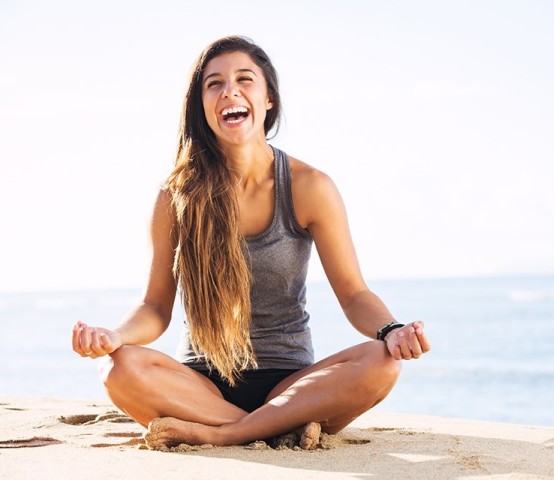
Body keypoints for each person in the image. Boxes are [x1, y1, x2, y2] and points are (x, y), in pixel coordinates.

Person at [71, 36, 430, 450]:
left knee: (381, 362)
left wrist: (392, 330)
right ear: (201, 104)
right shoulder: (176, 196)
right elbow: (155, 307)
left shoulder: (309, 187)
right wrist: (115, 336)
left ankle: (223, 434)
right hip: (200, 388)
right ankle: (270, 428)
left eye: (245, 79)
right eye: (214, 84)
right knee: (118, 368)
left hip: (290, 383)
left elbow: (353, 294)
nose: (230, 91)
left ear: (269, 98)